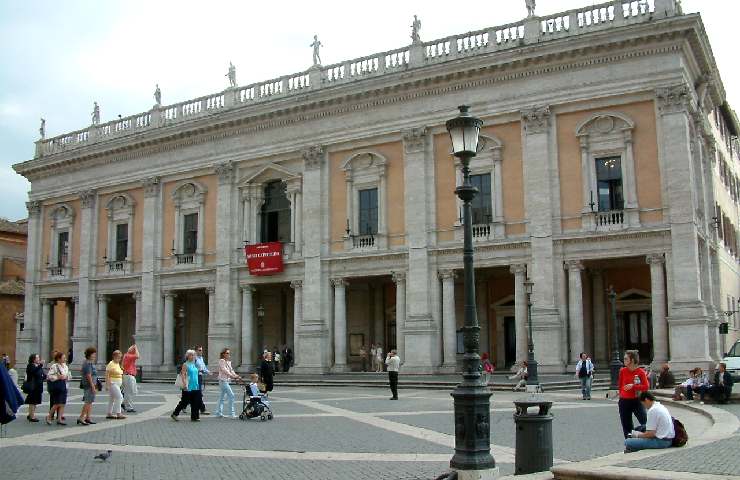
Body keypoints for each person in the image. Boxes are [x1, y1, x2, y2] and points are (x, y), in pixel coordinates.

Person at [617, 350, 649, 438]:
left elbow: (646, 386)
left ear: (632, 360)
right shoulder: (623, 371)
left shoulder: (640, 372)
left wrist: (633, 386)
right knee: (626, 425)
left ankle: (645, 436)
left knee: (645, 421)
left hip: (636, 400)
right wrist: (621, 395)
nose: (624, 360)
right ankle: (630, 444)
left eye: (626, 358)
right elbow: (620, 385)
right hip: (624, 401)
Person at [171, 349, 201, 422]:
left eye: (194, 355)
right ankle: (175, 414)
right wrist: (185, 385)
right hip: (188, 385)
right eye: (191, 355)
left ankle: (195, 417)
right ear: (187, 356)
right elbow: (183, 375)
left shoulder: (194, 364)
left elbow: (197, 373)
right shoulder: (185, 364)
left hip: (195, 385)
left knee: (195, 401)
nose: (193, 356)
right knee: (184, 401)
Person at [214, 348, 242, 418]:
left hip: (226, 381)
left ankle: (218, 412)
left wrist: (236, 376)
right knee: (231, 395)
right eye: (227, 353)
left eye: (229, 353)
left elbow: (231, 370)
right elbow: (224, 370)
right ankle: (231, 413)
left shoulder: (228, 362)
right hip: (223, 381)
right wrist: (232, 376)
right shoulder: (221, 361)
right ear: (223, 354)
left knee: (222, 397)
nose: (228, 354)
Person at [46, 351, 70, 425]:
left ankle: (59, 419)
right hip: (57, 386)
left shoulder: (65, 366)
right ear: (59, 359)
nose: (65, 359)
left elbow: (68, 375)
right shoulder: (54, 366)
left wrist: (67, 377)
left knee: (62, 403)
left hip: (64, 385)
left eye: (65, 358)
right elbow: (49, 376)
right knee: (57, 403)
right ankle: (49, 416)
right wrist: (58, 377)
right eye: (63, 358)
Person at [78, 347, 99, 425]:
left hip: (92, 384)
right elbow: (88, 375)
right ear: (89, 355)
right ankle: (81, 417)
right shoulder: (87, 363)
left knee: (90, 402)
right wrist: (93, 386)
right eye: (93, 354)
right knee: (88, 402)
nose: (95, 355)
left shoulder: (90, 363)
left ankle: (88, 417)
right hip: (89, 385)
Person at [23, 354, 44, 422]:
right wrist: (40, 365)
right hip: (33, 386)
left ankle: (30, 414)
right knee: (32, 401)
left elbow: (41, 374)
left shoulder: (37, 366)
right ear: (33, 359)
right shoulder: (30, 365)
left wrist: (47, 376)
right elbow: (33, 372)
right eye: (37, 358)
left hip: (38, 386)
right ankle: (32, 416)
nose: (39, 359)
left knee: (35, 402)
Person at [105, 350, 126, 420]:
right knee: (120, 397)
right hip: (112, 383)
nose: (119, 359)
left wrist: (122, 382)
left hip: (117, 383)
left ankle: (109, 413)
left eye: (120, 358)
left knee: (112, 399)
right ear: (114, 357)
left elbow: (120, 374)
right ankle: (118, 413)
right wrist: (107, 385)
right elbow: (107, 375)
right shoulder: (111, 364)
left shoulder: (117, 364)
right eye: (118, 357)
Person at [121, 344, 139, 413]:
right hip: (128, 376)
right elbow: (138, 356)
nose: (133, 349)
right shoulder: (128, 355)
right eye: (132, 348)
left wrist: (134, 348)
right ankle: (128, 407)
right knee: (129, 392)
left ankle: (123, 403)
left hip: (129, 376)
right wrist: (136, 348)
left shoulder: (129, 356)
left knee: (130, 391)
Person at [194, 345, 210, 415]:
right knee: (198, 393)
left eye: (201, 350)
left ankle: (184, 405)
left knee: (195, 393)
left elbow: (203, 367)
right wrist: (200, 370)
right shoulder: (194, 358)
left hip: (199, 377)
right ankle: (202, 409)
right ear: (196, 351)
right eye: (199, 350)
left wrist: (208, 372)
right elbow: (192, 368)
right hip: (194, 377)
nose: (201, 351)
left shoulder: (201, 358)